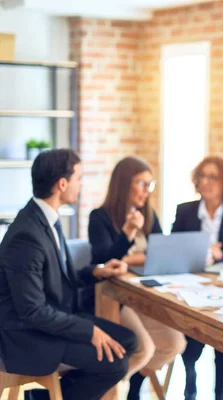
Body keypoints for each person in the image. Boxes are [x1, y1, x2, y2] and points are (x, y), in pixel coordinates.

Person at [0, 149, 137, 400]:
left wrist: (98, 271)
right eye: (79, 178)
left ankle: (48, 397)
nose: (81, 185)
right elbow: (32, 311)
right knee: (114, 363)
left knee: (128, 341)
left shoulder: (45, 219)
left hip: (52, 321)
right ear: (62, 184)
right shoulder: (26, 235)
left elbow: (58, 276)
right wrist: (90, 331)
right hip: (27, 338)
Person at [88, 156, 186, 400]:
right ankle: (98, 391)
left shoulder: (148, 216)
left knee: (175, 343)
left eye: (149, 185)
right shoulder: (99, 217)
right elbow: (105, 260)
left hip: (144, 293)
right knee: (144, 349)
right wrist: (128, 232)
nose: (146, 191)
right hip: (114, 297)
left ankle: (135, 384)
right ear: (124, 184)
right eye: (141, 183)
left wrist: (129, 260)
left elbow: (160, 252)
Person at [172, 155, 223, 400]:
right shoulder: (185, 211)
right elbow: (173, 246)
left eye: (213, 177)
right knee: (192, 330)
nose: (206, 182)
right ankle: (190, 377)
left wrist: (222, 253)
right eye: (202, 176)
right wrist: (197, 252)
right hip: (191, 283)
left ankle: (220, 391)